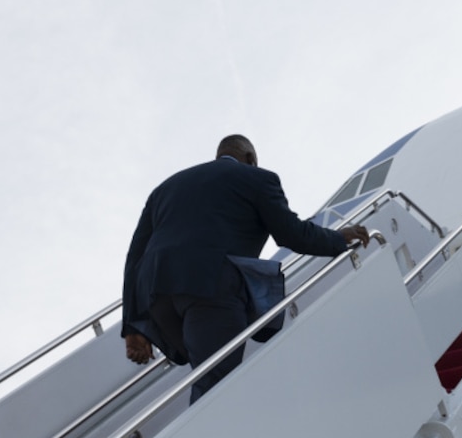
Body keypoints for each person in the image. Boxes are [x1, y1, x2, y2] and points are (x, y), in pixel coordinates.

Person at [121, 134, 369, 401]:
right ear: (250, 158)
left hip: (158, 297)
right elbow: (292, 234)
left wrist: (133, 326)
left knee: (207, 370)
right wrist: (338, 238)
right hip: (211, 286)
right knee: (216, 388)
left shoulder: (164, 189)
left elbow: (135, 257)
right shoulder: (259, 179)